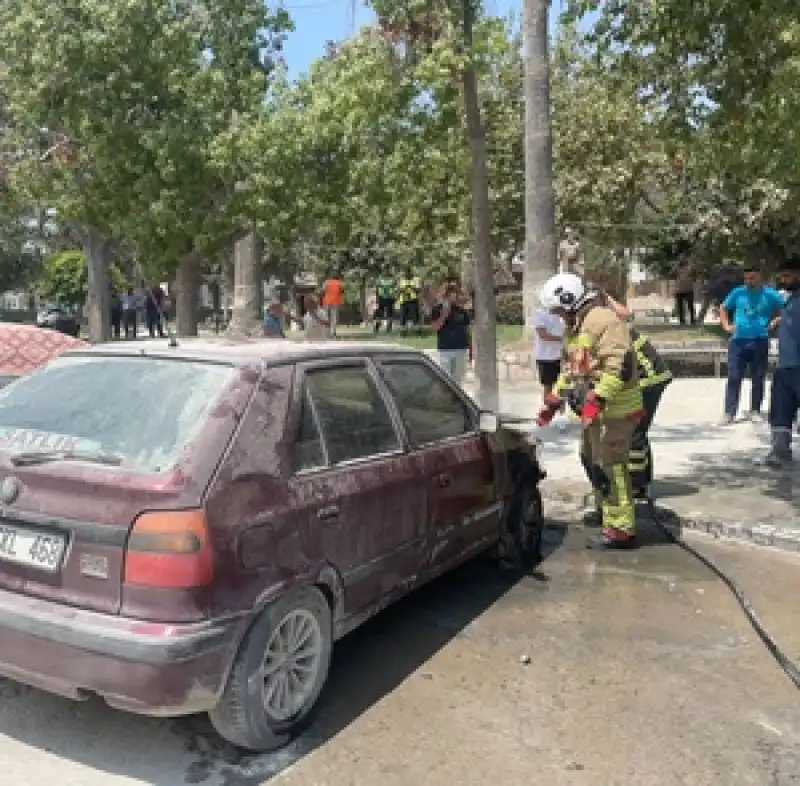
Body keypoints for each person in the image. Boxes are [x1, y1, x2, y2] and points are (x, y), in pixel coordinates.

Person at [537, 273, 643, 550]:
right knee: (589, 458)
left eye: (558, 310)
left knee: (611, 465)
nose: (557, 316)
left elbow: (620, 367)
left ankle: (621, 528)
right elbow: (572, 369)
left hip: (617, 411)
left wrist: (597, 398)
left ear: (569, 301)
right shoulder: (576, 327)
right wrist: (554, 400)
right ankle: (606, 511)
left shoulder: (603, 321)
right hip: (596, 411)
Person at [602, 292, 673, 499]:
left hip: (648, 378)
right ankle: (642, 480)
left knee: (634, 431)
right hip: (645, 376)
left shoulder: (605, 324)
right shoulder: (603, 320)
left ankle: (636, 485)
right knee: (638, 431)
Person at [719, 265, 783, 424]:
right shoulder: (738, 292)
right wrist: (726, 325)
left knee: (758, 377)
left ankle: (755, 410)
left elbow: (786, 309)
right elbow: (723, 307)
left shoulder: (769, 294)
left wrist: (775, 321)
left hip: (760, 340)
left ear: (760, 277)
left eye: (752, 278)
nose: (749, 281)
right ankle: (729, 412)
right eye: (746, 278)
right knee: (734, 377)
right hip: (738, 341)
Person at [765, 255, 800, 466]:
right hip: (785, 365)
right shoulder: (790, 299)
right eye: (782, 276)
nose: (783, 280)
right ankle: (780, 452)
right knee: (780, 410)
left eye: (788, 276)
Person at [430, 282, 471, 386]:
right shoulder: (437, 310)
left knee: (458, 380)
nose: (453, 296)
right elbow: (435, 328)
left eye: (455, 293)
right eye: (449, 293)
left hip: (461, 349)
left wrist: (471, 349)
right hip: (445, 349)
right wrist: (444, 315)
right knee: (446, 379)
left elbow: (467, 330)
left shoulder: (462, 311)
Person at [532, 303, 564, 401]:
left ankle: (558, 408)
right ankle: (547, 407)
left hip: (559, 356)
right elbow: (543, 335)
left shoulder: (561, 314)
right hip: (545, 357)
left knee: (561, 386)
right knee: (548, 386)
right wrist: (562, 339)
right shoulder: (540, 313)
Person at [397, 267, 422, 334]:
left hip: (413, 300)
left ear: (410, 272)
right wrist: (403, 289)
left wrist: (412, 287)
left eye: (408, 272)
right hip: (403, 300)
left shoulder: (416, 279)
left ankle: (417, 331)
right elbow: (398, 290)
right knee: (402, 316)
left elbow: (419, 290)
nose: (406, 274)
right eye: (405, 272)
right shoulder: (401, 280)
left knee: (415, 316)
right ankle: (403, 331)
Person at [673, 258, 696, 325]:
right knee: (680, 306)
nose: (682, 261)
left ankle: (692, 320)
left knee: (690, 305)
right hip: (679, 290)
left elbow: (694, 276)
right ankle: (682, 320)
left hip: (688, 289)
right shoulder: (677, 269)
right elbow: (672, 274)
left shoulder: (690, 268)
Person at [320, 272, 343, 337]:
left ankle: (327, 332)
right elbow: (341, 291)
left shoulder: (326, 282)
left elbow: (323, 291)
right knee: (334, 317)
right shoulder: (339, 283)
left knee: (326, 317)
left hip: (327, 301)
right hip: (336, 302)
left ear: (331, 277)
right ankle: (334, 332)